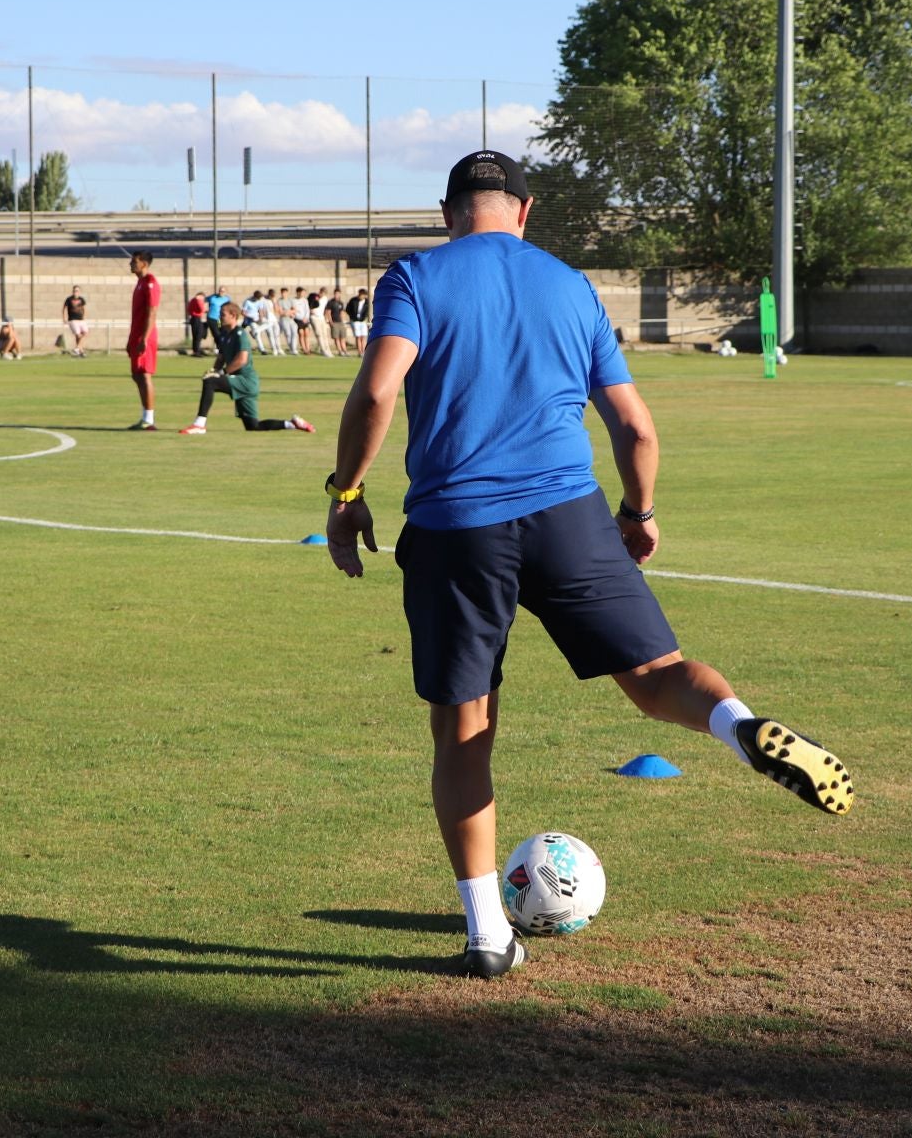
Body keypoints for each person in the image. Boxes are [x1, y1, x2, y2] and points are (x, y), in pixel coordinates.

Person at [323, 151, 854, 980]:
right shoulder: (572, 286)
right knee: (656, 676)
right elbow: (635, 427)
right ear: (524, 211)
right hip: (569, 514)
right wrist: (637, 513)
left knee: (464, 732)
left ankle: (488, 936)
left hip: (459, 525)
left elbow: (377, 392)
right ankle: (741, 727)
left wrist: (348, 491)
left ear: (447, 212)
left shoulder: (416, 278)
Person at [177, 301, 314, 436]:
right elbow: (221, 357)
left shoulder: (239, 334)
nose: (220, 317)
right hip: (240, 381)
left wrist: (221, 373)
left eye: (223, 314)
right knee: (253, 426)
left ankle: (199, 425)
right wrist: (213, 371)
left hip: (246, 381)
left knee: (210, 383)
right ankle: (292, 424)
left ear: (233, 315)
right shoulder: (225, 334)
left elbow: (242, 360)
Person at [126, 252, 160, 430]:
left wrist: (144, 338)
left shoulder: (150, 282)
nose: (130, 264)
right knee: (137, 375)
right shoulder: (140, 283)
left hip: (146, 336)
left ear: (144, 264)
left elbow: (152, 312)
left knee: (145, 374)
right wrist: (131, 339)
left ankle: (149, 420)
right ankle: (145, 417)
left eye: (134, 261)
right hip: (137, 335)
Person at [62, 285, 90, 358]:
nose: (76, 292)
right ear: (73, 291)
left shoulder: (81, 299)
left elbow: (84, 308)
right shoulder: (69, 299)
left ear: (79, 292)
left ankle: (78, 349)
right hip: (73, 320)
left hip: (81, 320)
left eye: (77, 291)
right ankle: (80, 350)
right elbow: (64, 309)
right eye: (74, 291)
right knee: (78, 335)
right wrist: (64, 318)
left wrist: (84, 316)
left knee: (85, 333)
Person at [322, 287, 349, 356]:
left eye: (338, 294)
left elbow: (342, 312)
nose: (337, 295)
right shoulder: (331, 302)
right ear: (334, 294)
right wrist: (330, 322)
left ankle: (345, 350)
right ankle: (340, 351)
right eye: (336, 294)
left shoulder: (341, 303)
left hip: (340, 322)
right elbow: (328, 312)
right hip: (334, 322)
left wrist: (343, 321)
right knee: (336, 338)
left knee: (342, 337)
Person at [204, 286, 231, 352]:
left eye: (223, 291)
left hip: (220, 319)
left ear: (225, 292)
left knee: (222, 333)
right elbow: (204, 300)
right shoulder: (212, 297)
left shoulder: (227, 299)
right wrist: (205, 308)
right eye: (220, 291)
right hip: (212, 318)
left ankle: (222, 347)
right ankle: (219, 348)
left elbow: (229, 307)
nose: (221, 292)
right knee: (216, 333)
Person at [346, 284, 371, 353]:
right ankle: (360, 351)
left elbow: (367, 311)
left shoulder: (366, 302)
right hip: (355, 321)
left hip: (363, 321)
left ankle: (364, 351)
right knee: (358, 336)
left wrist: (364, 318)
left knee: (364, 336)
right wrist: (352, 317)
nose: (361, 296)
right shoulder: (353, 300)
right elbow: (348, 309)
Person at [186, 290, 207, 356]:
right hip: (197, 318)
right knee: (198, 335)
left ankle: (196, 350)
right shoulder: (198, 300)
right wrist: (204, 308)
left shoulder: (192, 300)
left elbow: (188, 309)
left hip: (193, 318)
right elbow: (201, 309)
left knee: (195, 335)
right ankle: (197, 351)